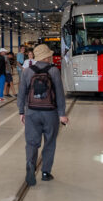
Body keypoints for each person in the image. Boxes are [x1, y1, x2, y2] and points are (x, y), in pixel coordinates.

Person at [17, 44, 67, 185]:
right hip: (50, 113)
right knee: (50, 142)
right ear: (47, 56)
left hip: (32, 112)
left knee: (31, 142)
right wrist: (62, 114)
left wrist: (21, 111)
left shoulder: (27, 71)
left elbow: (21, 93)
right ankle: (45, 172)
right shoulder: (54, 71)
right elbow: (59, 94)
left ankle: (30, 164)